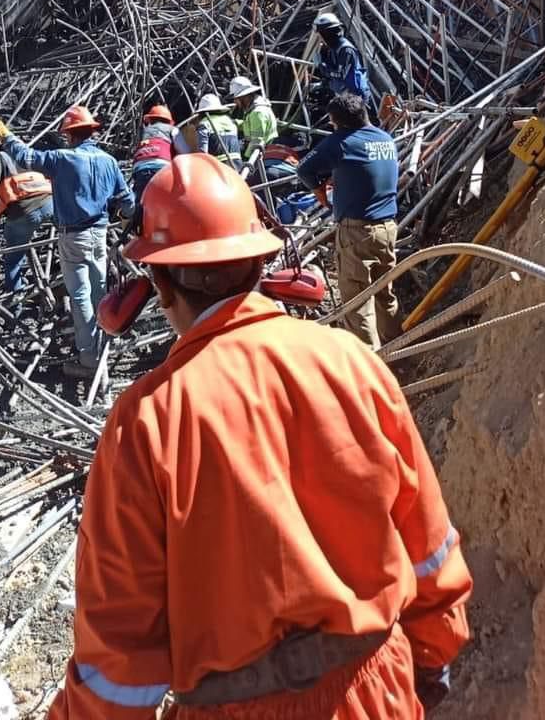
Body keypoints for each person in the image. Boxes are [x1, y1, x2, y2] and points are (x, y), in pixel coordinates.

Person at [47, 155, 471, 720]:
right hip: (377, 686)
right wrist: (429, 658)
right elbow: (428, 543)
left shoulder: (145, 422)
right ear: (257, 263)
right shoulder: (350, 362)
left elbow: (120, 659)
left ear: (160, 283)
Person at [0, 106, 135, 379]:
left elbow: (27, 157)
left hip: (73, 236)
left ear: (69, 135)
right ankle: (106, 345)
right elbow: (128, 202)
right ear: (91, 131)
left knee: (80, 296)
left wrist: (7, 137)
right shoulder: (109, 161)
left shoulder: (63, 159)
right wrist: (127, 217)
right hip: (99, 233)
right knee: (100, 289)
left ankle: (89, 359)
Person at [296, 95, 399, 348]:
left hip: (358, 233)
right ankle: (400, 349)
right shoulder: (385, 139)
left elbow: (303, 169)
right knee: (385, 295)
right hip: (388, 228)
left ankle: (370, 368)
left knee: (357, 304)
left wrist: (319, 190)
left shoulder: (340, 143)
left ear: (336, 123)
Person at [0, 145, 54, 293]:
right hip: (50, 203)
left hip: (24, 211)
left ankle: (15, 301)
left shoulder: (0, 156)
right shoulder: (29, 154)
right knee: (68, 239)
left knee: (12, 261)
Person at [312, 11, 371, 107]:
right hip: (344, 94)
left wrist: (322, 66)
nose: (320, 39)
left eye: (321, 35)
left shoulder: (346, 50)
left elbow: (341, 74)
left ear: (327, 34)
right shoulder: (332, 48)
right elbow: (333, 70)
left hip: (356, 97)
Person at [173, 93, 242, 169]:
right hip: (237, 164)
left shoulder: (205, 124)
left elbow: (203, 154)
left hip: (218, 166)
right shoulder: (229, 121)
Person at [130, 105, 175, 203]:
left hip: (140, 169)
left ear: (150, 119)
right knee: (163, 201)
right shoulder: (172, 129)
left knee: (141, 203)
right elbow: (185, 150)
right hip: (161, 167)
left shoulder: (144, 131)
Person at [227, 76, 278, 163]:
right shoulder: (256, 106)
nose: (235, 102)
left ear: (244, 97)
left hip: (263, 150)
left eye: (236, 99)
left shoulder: (257, 113)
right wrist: (235, 123)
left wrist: (244, 158)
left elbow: (256, 141)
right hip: (263, 145)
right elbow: (250, 125)